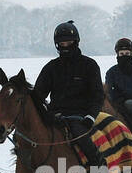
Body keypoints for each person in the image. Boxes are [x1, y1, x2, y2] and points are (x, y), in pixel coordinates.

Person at [32, 20, 105, 165]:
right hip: (55, 116)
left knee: (80, 136)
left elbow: (97, 95)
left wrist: (90, 116)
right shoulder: (51, 67)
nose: (65, 46)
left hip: (79, 116)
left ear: (76, 42)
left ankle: (98, 167)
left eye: (68, 42)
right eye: (61, 43)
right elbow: (38, 95)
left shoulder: (89, 65)